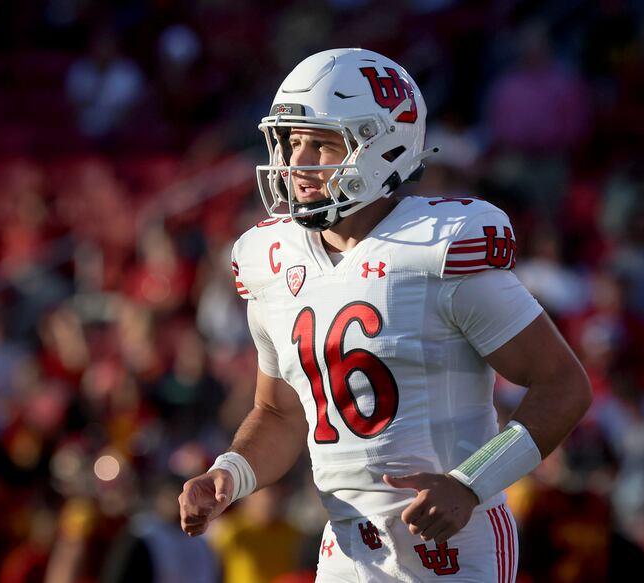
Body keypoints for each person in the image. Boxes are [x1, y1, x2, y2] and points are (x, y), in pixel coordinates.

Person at [179, 48, 592, 582]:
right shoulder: (272, 261)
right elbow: (280, 413)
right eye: (290, 141)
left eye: (322, 143)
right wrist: (228, 475)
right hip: (346, 549)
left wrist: (472, 483)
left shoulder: (437, 249)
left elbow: (563, 385)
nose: (298, 162)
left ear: (382, 144)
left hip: (453, 549)